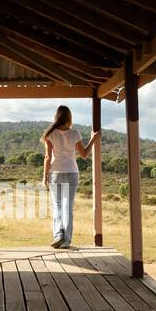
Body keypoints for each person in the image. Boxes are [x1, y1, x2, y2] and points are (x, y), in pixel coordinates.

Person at [41, 105, 100, 249]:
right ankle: (66, 241)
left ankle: (58, 235)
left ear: (57, 117)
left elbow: (48, 157)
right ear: (69, 117)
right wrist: (93, 139)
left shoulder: (50, 134)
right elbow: (84, 154)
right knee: (68, 207)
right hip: (72, 172)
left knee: (58, 205)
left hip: (56, 173)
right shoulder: (75, 133)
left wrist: (45, 177)